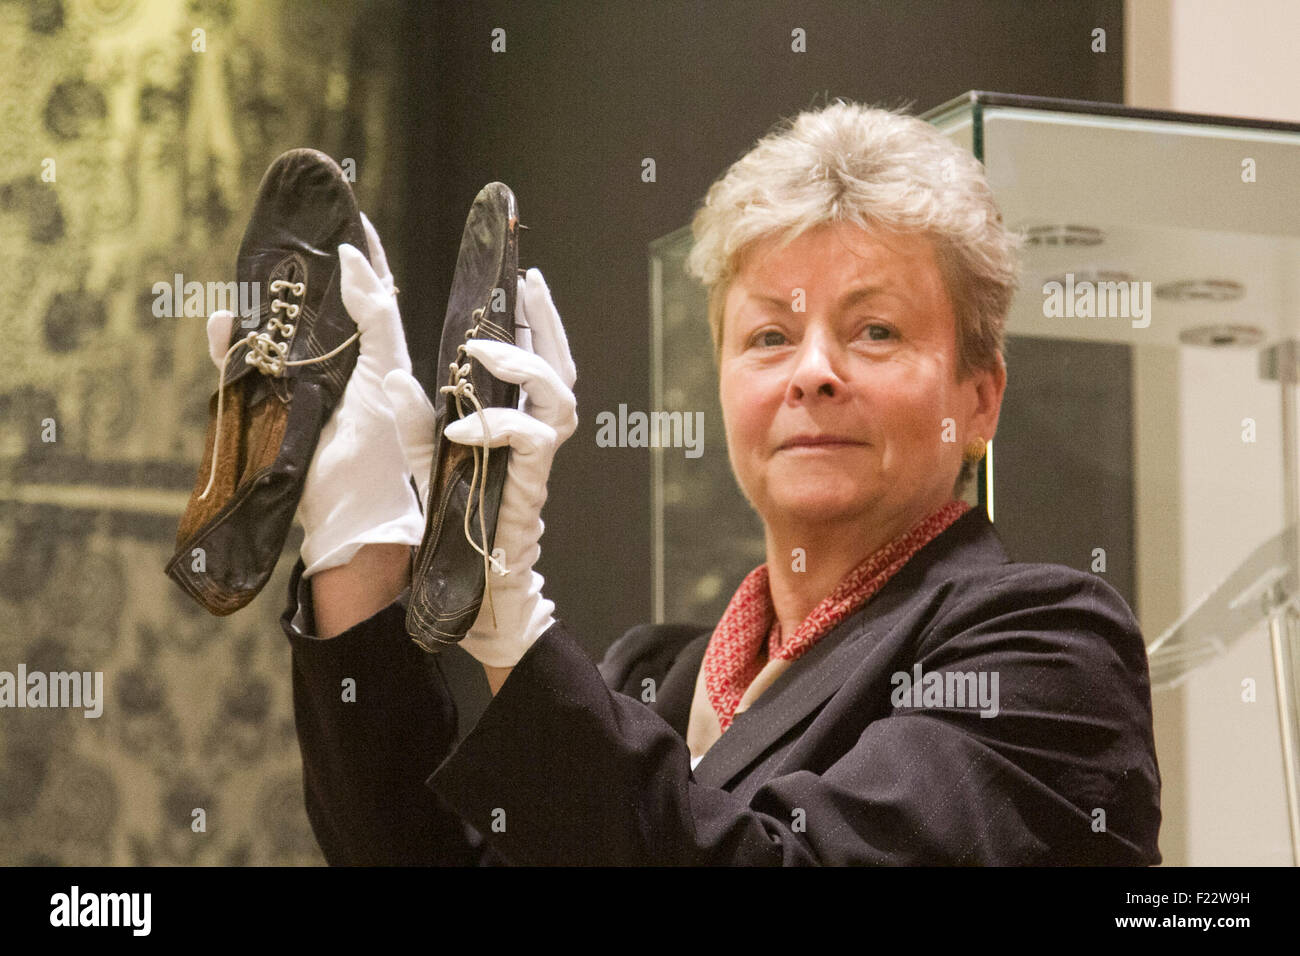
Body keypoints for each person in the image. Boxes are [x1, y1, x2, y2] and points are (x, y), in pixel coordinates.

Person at [218, 100, 1161, 864]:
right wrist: (357, 541)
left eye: (875, 330)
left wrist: (511, 624)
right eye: (769, 336)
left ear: (981, 397)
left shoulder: (1051, 654)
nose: (813, 373)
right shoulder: (655, 679)